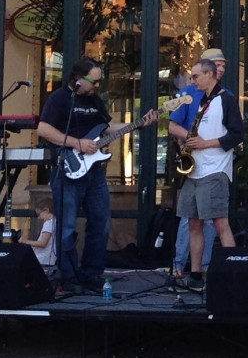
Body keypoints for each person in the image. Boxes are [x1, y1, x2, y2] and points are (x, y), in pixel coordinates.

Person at [37, 56, 158, 294]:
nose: (97, 86)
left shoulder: (94, 101)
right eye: (94, 81)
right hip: (67, 170)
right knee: (67, 227)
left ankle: (91, 273)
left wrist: (138, 124)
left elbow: (106, 128)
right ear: (77, 79)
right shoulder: (59, 99)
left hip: (94, 174)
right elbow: (43, 129)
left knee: (101, 224)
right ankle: (68, 276)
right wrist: (77, 143)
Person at [168, 58, 244, 291]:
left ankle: (234, 276)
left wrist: (205, 143)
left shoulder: (226, 99)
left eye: (196, 76)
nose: (193, 80)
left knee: (220, 222)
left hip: (215, 170)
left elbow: (237, 134)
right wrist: (189, 144)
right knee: (193, 223)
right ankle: (196, 274)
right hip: (195, 170)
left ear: (210, 74)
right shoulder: (199, 100)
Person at [19, 196, 56, 269]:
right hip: (48, 259)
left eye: (39, 214)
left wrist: (26, 241)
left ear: (46, 210)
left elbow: (43, 243)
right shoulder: (55, 222)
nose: (39, 218)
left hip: (42, 259)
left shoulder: (48, 224)